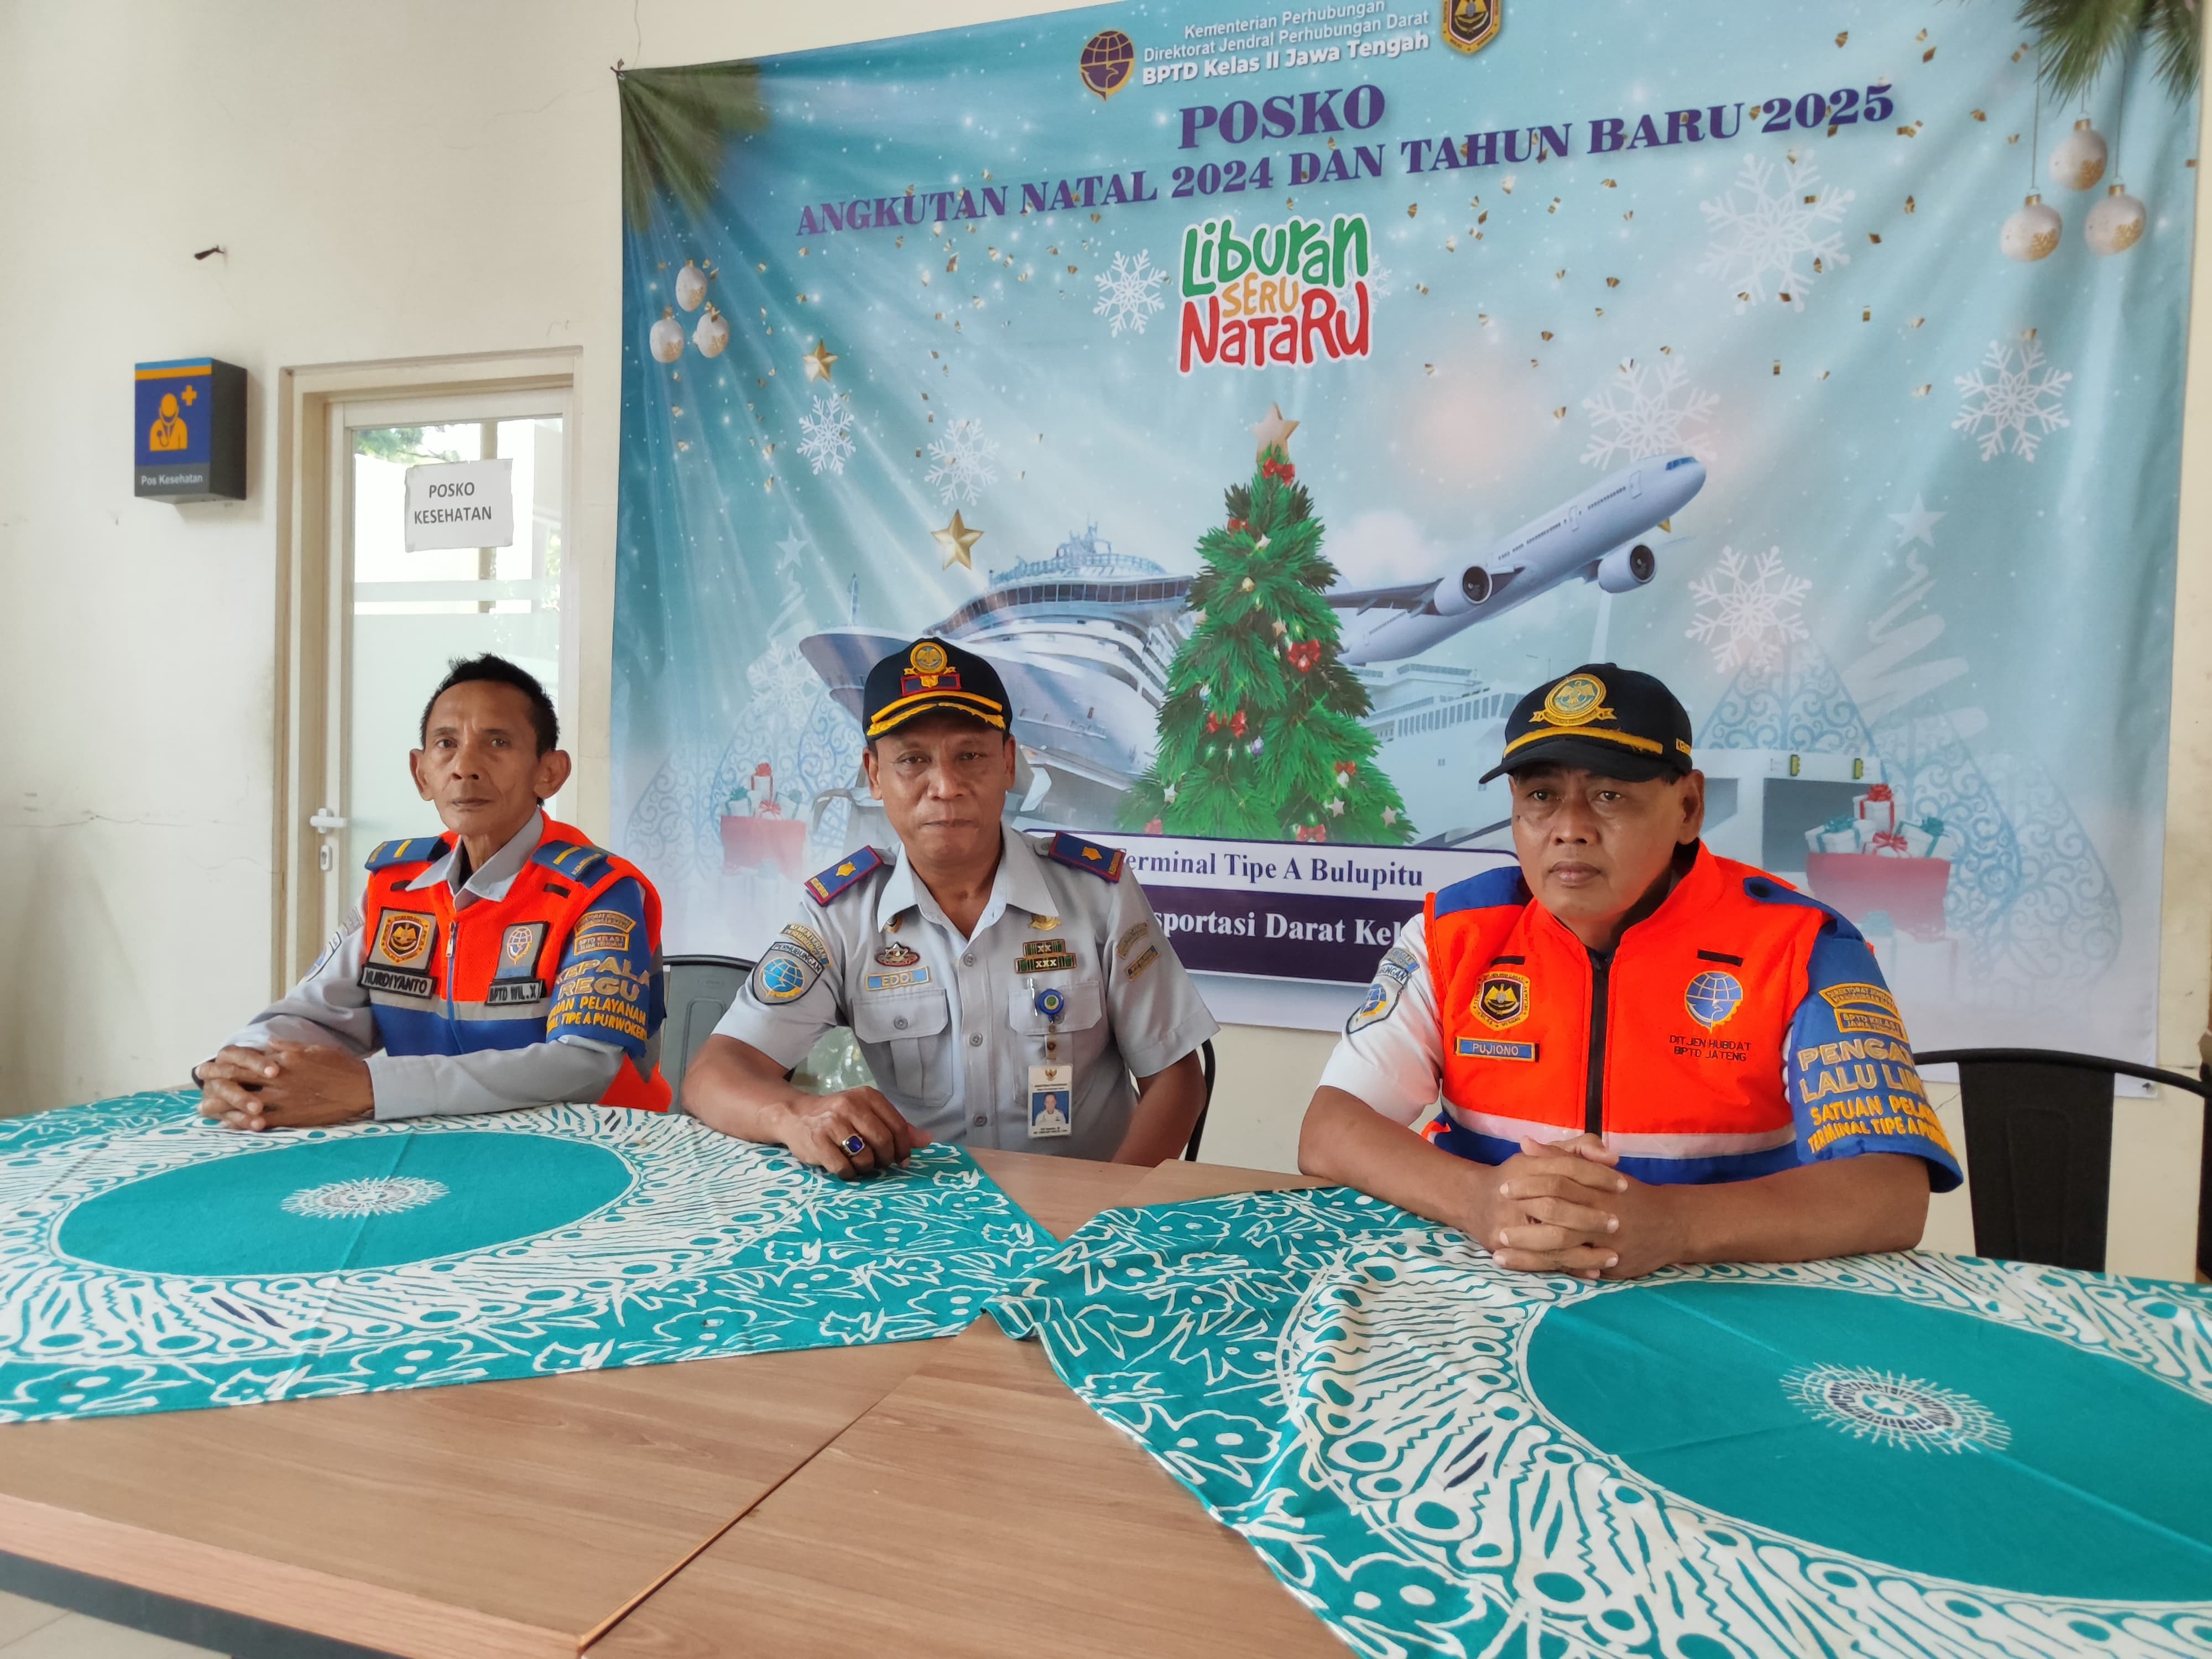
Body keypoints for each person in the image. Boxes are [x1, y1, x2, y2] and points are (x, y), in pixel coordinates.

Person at [1298, 662, 1960, 1280]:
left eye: (1609, 796)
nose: (1570, 829)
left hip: (1723, 1289)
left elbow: (1889, 1193)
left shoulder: (1801, 946)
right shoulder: (1454, 933)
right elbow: (1331, 1129)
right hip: (1486, 1284)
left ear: (1689, 808)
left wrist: (1675, 1226)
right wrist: (1477, 1198)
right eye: (1541, 796)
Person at [685, 636, 1218, 1175]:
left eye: (970, 756)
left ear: (1008, 763)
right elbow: (714, 1074)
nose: (945, 786)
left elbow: (1176, 1080)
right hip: (920, 1221)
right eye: (913, 760)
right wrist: (797, 1114)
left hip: (1079, 1205)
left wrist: (1106, 1205)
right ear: (874, 775)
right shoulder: (840, 914)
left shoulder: (1097, 894)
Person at [195, 655, 671, 1130]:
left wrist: (373, 1087)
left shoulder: (598, 892)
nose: (465, 767)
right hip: (431, 1138)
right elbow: (318, 1014)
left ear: (549, 772)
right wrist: (245, 1067)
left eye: (498, 743)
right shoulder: (397, 886)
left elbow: (582, 1065)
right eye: (446, 744)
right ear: (422, 773)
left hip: (596, 1145)